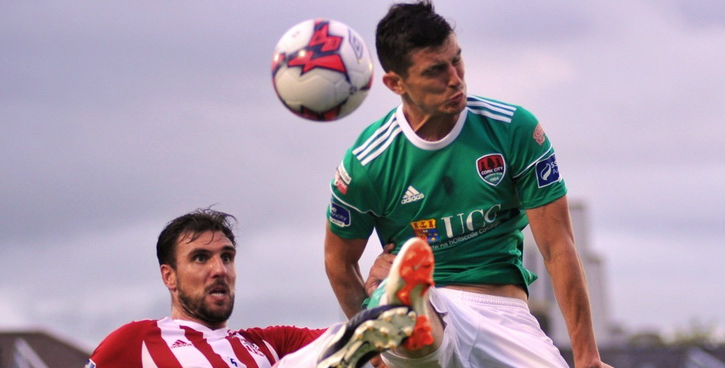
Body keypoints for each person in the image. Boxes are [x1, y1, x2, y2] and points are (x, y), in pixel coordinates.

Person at [323, 1, 612, 367]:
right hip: (433, 301)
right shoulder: (367, 163)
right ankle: (400, 308)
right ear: (395, 82)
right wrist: (374, 357)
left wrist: (588, 358)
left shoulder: (513, 129)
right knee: (421, 329)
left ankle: (399, 308)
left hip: (503, 313)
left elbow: (558, 247)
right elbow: (338, 263)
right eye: (435, 71)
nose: (455, 78)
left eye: (456, 60)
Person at [86, 208, 423, 368]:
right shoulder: (135, 342)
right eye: (201, 258)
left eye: (227, 257)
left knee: (358, 342)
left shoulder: (268, 344)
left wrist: (375, 293)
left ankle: (389, 306)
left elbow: (379, 356)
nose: (219, 270)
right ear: (169, 276)